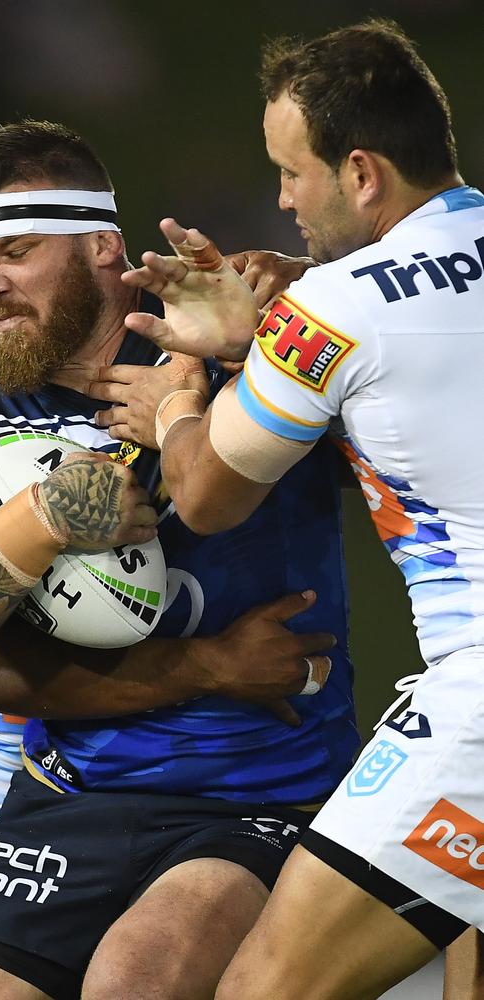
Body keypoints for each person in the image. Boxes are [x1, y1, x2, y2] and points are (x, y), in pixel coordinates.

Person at [0, 121, 357, 1000]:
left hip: (259, 786)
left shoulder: (233, 344)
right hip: (64, 788)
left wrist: (278, 319)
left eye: (13, 252)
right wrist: (49, 518)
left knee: (137, 978)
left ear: (101, 245)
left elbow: (415, 359)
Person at [113, 19, 484, 999]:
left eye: (291, 172)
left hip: (476, 704)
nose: (280, 198)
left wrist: (183, 399)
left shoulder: (339, 306)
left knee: (262, 987)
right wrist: (269, 334)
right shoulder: (337, 300)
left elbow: (207, 492)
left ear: (359, 172)